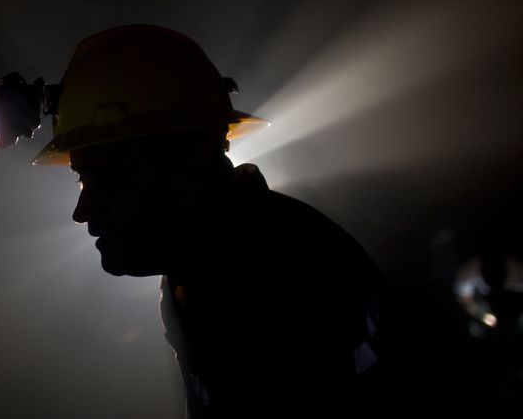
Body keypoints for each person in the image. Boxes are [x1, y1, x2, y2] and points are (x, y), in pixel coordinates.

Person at [33, 25, 395, 416]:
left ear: (189, 163)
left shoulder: (275, 285)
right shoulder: (200, 274)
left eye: (104, 179)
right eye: (81, 181)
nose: (82, 211)